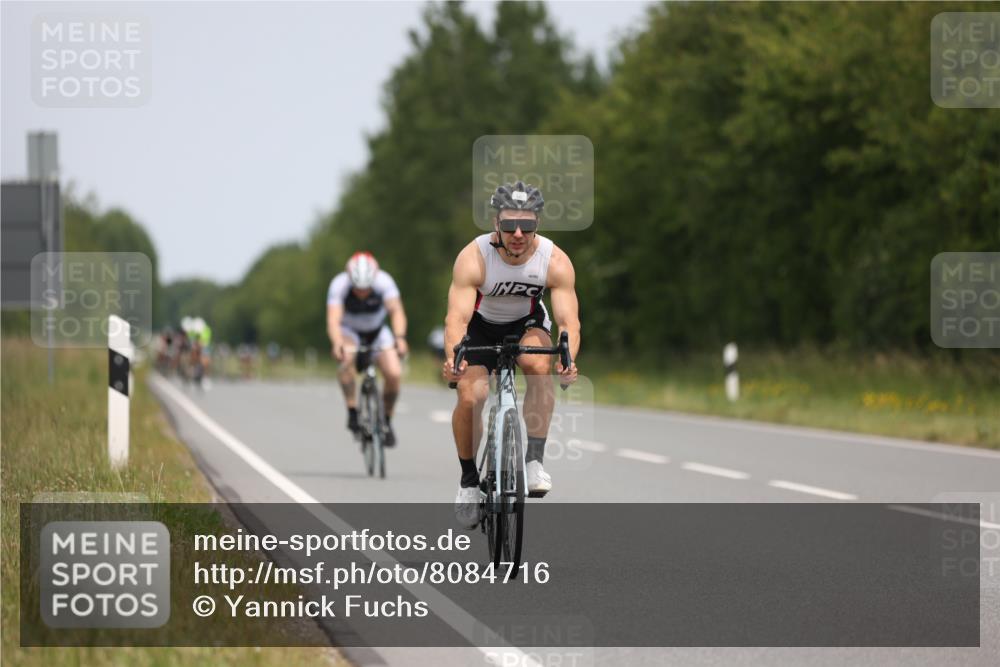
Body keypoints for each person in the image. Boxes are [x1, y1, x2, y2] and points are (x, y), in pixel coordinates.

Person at [443, 181, 580, 529]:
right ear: (496, 224)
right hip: (481, 325)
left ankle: (533, 462)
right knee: (471, 395)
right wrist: (454, 359)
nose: (518, 233)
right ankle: (469, 482)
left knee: (538, 363)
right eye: (509, 225)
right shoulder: (474, 257)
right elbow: (457, 318)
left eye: (527, 225)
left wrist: (568, 358)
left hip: (527, 322)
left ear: (537, 224)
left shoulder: (555, 260)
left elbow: (568, 321)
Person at [327, 251, 408, 446]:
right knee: (346, 360)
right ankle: (352, 411)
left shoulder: (384, 282)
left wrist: (400, 338)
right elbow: (333, 319)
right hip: (350, 331)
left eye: (366, 289)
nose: (362, 293)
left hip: (377, 331)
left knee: (394, 373)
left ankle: (387, 421)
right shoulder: (339, 285)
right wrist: (337, 342)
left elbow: (397, 312)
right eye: (358, 289)